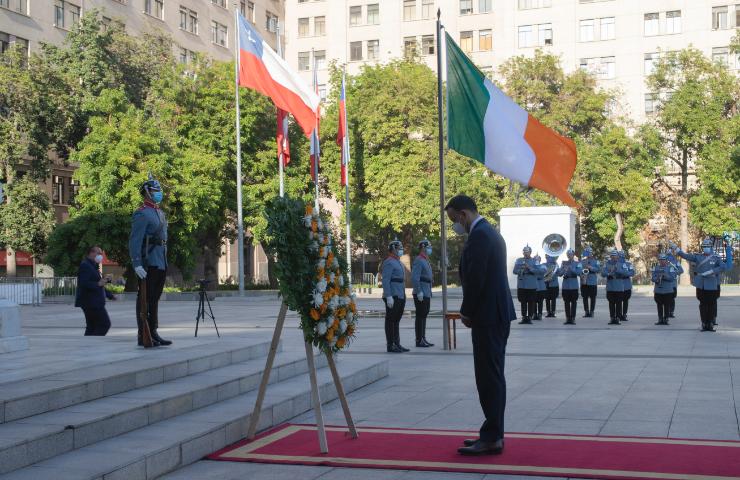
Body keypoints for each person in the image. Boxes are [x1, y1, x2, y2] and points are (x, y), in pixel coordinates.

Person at [445, 194, 516, 456]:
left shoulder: (481, 236)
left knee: (488, 378)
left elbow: (476, 278)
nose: (455, 225)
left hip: (488, 316)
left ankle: (492, 437)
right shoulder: (489, 232)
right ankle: (493, 432)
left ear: (464, 214)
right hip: (496, 314)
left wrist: (466, 312)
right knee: (493, 376)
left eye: (454, 219)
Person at [129, 175, 172, 347]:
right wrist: (137, 263)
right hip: (149, 261)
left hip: (161, 260)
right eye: (155, 191)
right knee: (144, 299)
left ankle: (153, 331)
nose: (159, 193)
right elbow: (135, 240)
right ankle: (143, 334)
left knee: (154, 299)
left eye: (159, 190)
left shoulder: (159, 213)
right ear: (147, 192)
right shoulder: (142, 214)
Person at [675, 239, 733, 332]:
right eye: (704, 247)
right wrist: (677, 249)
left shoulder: (716, 257)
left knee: (711, 305)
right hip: (701, 285)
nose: (706, 248)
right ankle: (704, 323)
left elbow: (723, 267)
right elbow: (686, 256)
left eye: (708, 247)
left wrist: (712, 271)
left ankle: (710, 323)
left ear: (710, 248)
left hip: (712, 285)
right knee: (702, 305)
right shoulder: (698, 257)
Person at [75, 246, 115, 336]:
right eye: (99, 253)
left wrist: (110, 295)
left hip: (93, 302)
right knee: (104, 324)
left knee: (91, 326)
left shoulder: (93, 266)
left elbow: (99, 284)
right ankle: (93, 342)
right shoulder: (85, 265)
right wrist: (97, 284)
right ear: (91, 253)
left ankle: (87, 345)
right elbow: (83, 283)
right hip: (91, 302)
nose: (100, 256)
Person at [382, 239, 407, 353]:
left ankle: (397, 343)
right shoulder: (388, 262)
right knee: (390, 320)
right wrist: (388, 296)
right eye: (398, 248)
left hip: (400, 294)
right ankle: (390, 344)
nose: (401, 250)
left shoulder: (398, 262)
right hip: (393, 295)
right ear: (392, 249)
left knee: (396, 320)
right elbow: (386, 280)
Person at [411, 239, 434, 348]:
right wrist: (418, 291)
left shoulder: (425, 260)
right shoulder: (419, 260)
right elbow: (415, 278)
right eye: (428, 247)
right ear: (423, 248)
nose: (430, 249)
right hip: (421, 292)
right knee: (420, 316)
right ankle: (419, 339)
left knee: (424, 315)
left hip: (426, 292)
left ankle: (423, 338)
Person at [513, 246, 541, 325]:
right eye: (524, 251)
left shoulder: (535, 261)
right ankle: (524, 317)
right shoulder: (519, 260)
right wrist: (521, 270)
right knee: (523, 301)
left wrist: (529, 268)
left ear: (530, 252)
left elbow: (538, 271)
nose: (525, 253)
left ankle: (530, 317)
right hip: (522, 285)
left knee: (531, 301)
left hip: (531, 285)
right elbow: (514, 271)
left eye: (527, 252)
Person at [652, 253, 678, 326]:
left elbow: (672, 278)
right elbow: (652, 278)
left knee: (666, 305)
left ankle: (666, 319)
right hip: (658, 290)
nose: (662, 261)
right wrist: (656, 279)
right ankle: (660, 319)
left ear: (666, 260)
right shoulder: (656, 267)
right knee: (659, 305)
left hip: (667, 290)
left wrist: (664, 276)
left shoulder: (671, 268)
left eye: (663, 260)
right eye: (660, 260)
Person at [557, 249, 582, 325]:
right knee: (566, 302)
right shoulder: (564, 263)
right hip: (566, 286)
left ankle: (573, 318)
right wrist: (564, 270)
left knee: (574, 302)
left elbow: (579, 273)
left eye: (570, 254)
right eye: (568, 254)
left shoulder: (578, 263)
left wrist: (571, 268)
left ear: (573, 255)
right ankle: (568, 318)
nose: (569, 256)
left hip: (574, 285)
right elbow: (560, 274)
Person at [601, 249, 626, 325]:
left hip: (619, 286)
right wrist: (609, 273)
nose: (613, 257)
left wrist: (617, 269)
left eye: (615, 256)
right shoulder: (607, 264)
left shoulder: (622, 264)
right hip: (610, 286)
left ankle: (618, 318)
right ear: (610, 256)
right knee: (611, 303)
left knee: (618, 303)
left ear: (618, 256)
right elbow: (603, 273)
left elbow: (625, 272)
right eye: (612, 256)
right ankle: (612, 318)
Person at [580, 247, 599, 317]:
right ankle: (586, 311)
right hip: (584, 281)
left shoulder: (595, 261)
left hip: (592, 281)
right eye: (588, 253)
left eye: (590, 253)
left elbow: (598, 269)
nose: (589, 254)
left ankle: (592, 311)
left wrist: (591, 268)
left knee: (593, 297)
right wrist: (581, 275)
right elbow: (579, 269)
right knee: (584, 297)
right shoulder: (582, 261)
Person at [618, 251, 635, 322]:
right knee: (618, 301)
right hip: (618, 284)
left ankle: (624, 314)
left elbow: (632, 272)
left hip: (627, 284)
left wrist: (625, 273)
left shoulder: (628, 263)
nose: (622, 257)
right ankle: (619, 315)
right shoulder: (616, 264)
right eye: (620, 256)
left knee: (625, 301)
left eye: (622, 255)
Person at [665, 246, 681, 318]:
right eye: (668, 250)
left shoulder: (675, 262)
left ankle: (671, 312)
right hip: (665, 282)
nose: (669, 252)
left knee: (672, 298)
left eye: (670, 250)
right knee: (665, 298)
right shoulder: (663, 261)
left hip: (673, 283)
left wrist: (674, 273)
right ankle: (666, 312)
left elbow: (681, 270)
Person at [543, 254, 560, 318]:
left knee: (553, 299)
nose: (548, 258)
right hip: (546, 284)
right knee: (547, 299)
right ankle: (548, 312)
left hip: (554, 284)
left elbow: (559, 273)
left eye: (549, 257)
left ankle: (553, 312)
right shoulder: (544, 264)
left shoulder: (556, 265)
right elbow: (542, 273)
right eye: (547, 257)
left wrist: (558, 267)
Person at [534, 255, 546, 320]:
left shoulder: (542, 266)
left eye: (538, 259)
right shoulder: (532, 266)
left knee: (540, 301)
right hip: (534, 286)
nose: (536, 260)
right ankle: (534, 314)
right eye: (535, 259)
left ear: (540, 260)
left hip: (541, 287)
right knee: (534, 301)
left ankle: (540, 314)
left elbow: (543, 271)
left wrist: (536, 267)